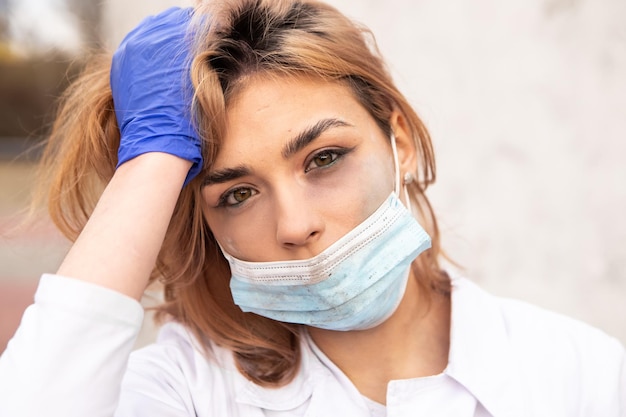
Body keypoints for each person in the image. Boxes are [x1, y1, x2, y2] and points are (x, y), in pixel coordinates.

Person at [0, 0, 623, 416]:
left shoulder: (578, 372)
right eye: (237, 194)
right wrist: (152, 160)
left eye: (324, 159)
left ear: (399, 141)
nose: (296, 225)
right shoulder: (187, 392)